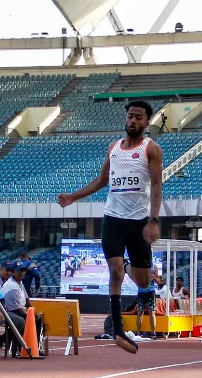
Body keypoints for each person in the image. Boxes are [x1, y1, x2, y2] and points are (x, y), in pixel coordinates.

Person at [57, 100, 163, 354]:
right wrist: (74, 196)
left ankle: (129, 266)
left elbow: (157, 185)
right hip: (113, 219)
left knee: (143, 281)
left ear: (147, 122)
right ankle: (117, 331)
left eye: (139, 117)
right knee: (114, 271)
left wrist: (153, 220)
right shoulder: (113, 148)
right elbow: (103, 180)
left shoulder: (152, 149)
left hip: (138, 222)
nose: (133, 121)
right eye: (130, 116)